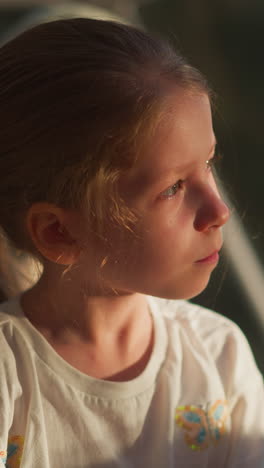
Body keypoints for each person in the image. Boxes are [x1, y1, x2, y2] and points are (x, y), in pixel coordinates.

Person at [0, 18, 263, 468]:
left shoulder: (219, 356)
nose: (219, 210)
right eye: (174, 187)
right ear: (59, 233)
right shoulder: (10, 375)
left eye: (208, 163)